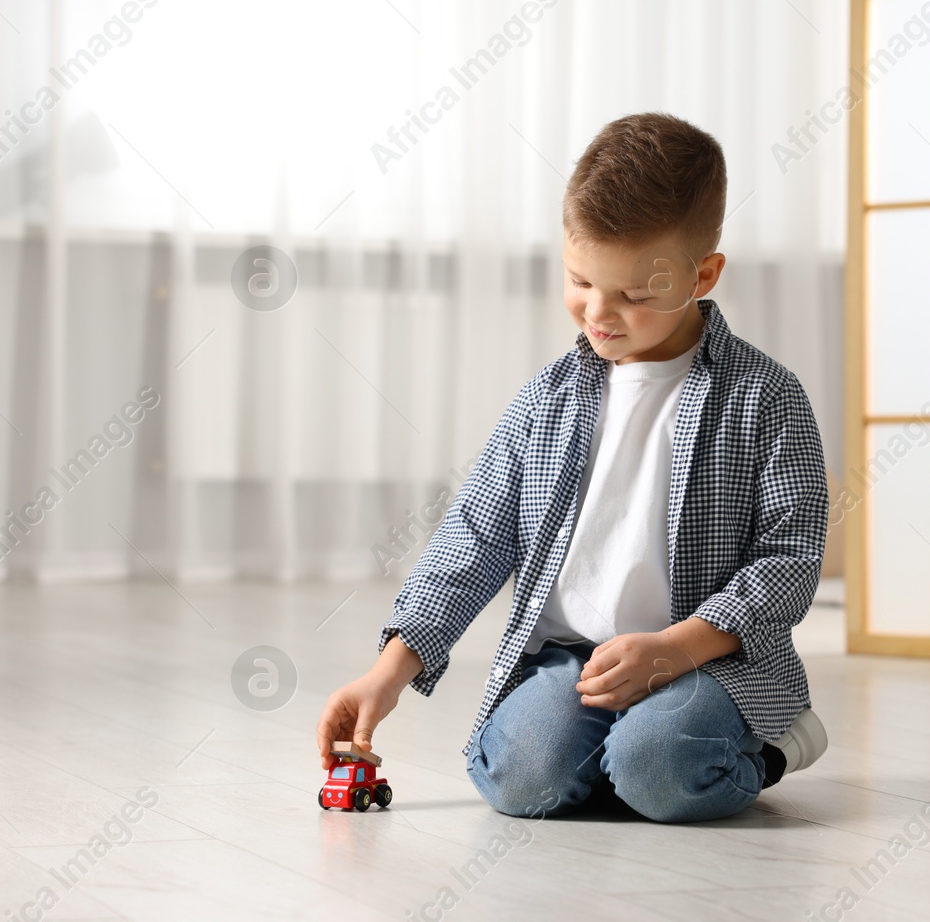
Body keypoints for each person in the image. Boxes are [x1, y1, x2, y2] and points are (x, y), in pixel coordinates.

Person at [316, 113, 829, 823]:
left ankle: (768, 742)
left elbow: (789, 559)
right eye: (581, 280)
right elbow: (474, 537)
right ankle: (626, 750)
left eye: (635, 295)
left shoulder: (766, 397)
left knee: (661, 769)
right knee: (518, 780)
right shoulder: (547, 399)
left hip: (708, 661)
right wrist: (388, 672)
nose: (599, 312)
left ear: (702, 273)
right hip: (574, 662)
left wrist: (676, 649)